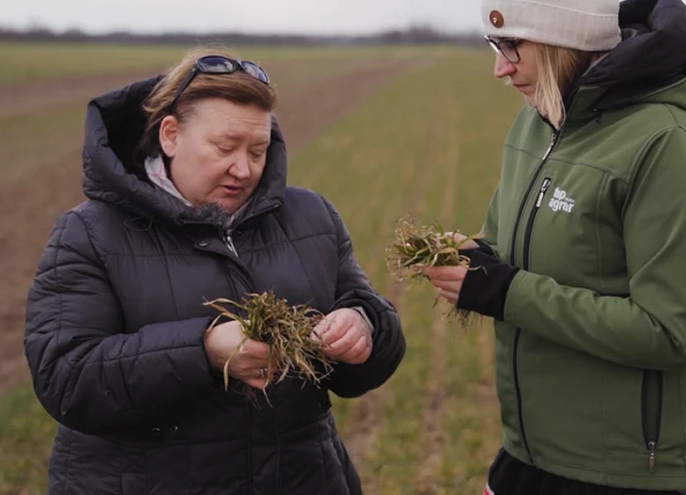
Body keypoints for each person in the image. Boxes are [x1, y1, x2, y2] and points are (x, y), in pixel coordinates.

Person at [422, 0, 686, 494]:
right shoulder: (534, 125)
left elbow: (670, 331)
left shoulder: (666, 147)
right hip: (534, 457)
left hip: (637, 474)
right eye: (494, 43)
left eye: (512, 44)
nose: (499, 67)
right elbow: (519, 259)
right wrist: (478, 263)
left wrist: (505, 291)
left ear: (565, 40)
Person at [24, 48, 406, 495]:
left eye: (258, 150)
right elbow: (66, 378)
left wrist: (363, 329)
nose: (243, 169)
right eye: (225, 147)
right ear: (170, 135)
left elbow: (370, 323)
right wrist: (202, 351)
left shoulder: (312, 217)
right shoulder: (90, 233)